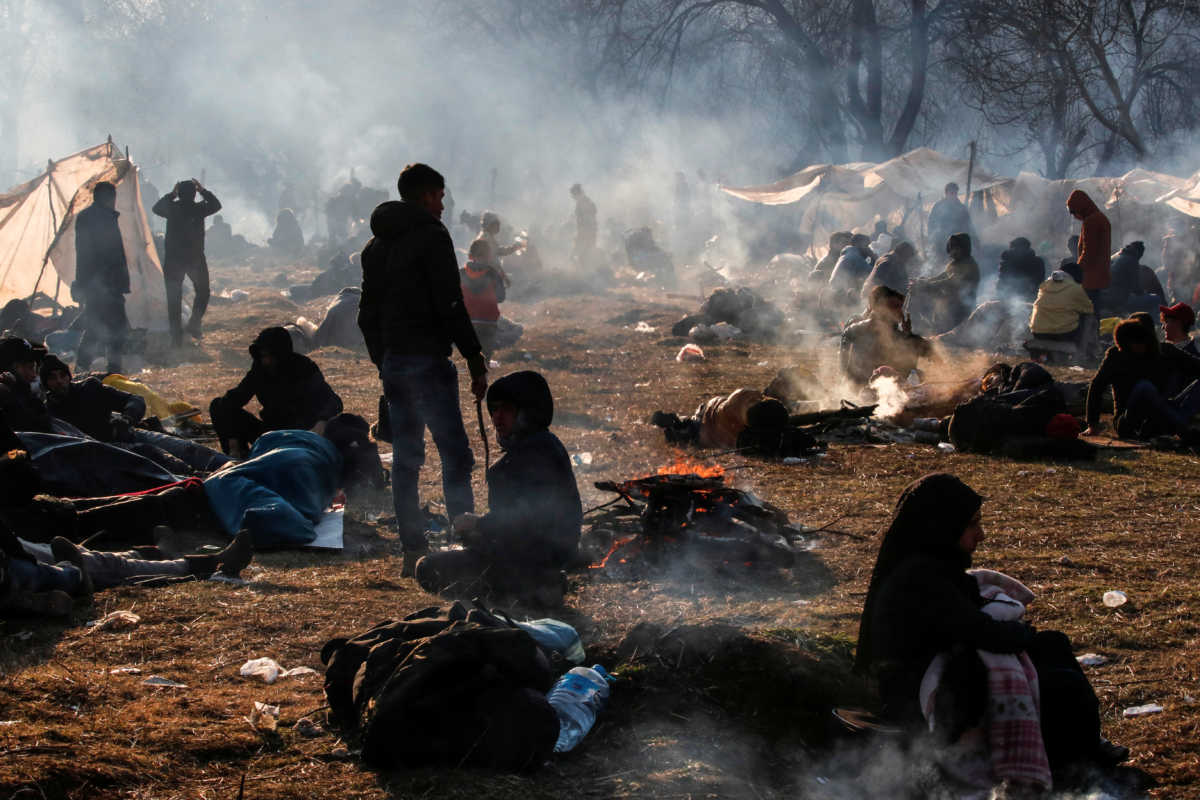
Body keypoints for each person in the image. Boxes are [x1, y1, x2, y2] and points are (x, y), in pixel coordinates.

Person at [855, 474, 1127, 787]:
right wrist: (1022, 634)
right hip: (919, 694)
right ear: (942, 524)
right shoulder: (920, 576)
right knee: (1056, 683)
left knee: (1052, 645)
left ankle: (1086, 745)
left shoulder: (936, 565)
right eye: (972, 524)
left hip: (949, 663)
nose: (981, 535)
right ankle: (1067, 764)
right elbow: (982, 633)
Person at [359, 163, 487, 576]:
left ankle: (411, 549)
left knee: (407, 458)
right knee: (454, 455)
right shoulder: (433, 237)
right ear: (426, 195)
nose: (444, 204)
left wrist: (385, 360)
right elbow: (450, 304)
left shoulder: (375, 246)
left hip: (397, 363)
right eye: (440, 196)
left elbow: (367, 314)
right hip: (430, 362)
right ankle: (465, 544)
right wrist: (473, 357)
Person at [415, 371, 580, 606]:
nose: (497, 417)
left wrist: (477, 524)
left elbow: (525, 521)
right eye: (494, 410)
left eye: (507, 410)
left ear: (527, 413)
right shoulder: (543, 446)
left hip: (528, 560)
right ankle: (537, 586)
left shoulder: (531, 454)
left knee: (426, 568)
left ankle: (527, 590)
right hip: (540, 556)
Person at [40, 355, 230, 474]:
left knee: (190, 449)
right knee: (165, 462)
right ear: (45, 384)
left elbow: (135, 400)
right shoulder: (48, 412)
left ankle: (234, 466)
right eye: (52, 378)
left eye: (62, 375)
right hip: (108, 452)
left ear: (68, 376)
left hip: (130, 433)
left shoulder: (89, 388)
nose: (59, 381)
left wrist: (127, 419)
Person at [209, 326, 343, 457]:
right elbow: (235, 399)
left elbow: (333, 401)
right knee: (218, 405)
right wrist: (232, 437)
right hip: (270, 435)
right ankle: (239, 457)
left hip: (301, 436)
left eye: (270, 356)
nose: (266, 361)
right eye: (263, 356)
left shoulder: (304, 368)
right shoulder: (260, 369)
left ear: (281, 354)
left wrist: (322, 421)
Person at [1084, 318, 1200, 439]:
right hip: (1129, 421)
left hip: (1161, 415)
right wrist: (1092, 424)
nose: (1138, 346)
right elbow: (1097, 386)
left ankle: (1176, 423)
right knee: (1144, 387)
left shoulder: (1165, 350)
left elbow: (1196, 366)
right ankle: (1183, 429)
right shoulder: (1116, 356)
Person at [152, 179, 222, 346]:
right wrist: (203, 190)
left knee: (174, 298)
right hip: (194, 258)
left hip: (174, 259)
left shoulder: (173, 208)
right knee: (203, 291)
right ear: (193, 194)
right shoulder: (199, 209)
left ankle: (176, 337)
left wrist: (172, 194)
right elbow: (216, 205)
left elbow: (156, 208)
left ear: (180, 194)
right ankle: (194, 322)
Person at [73, 181, 130, 372]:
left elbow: (82, 254)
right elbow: (107, 254)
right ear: (109, 198)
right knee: (115, 327)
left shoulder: (87, 217)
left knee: (96, 325)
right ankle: (112, 367)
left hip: (96, 283)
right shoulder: (104, 218)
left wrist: (82, 283)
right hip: (106, 284)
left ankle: (84, 365)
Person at [840, 285, 931, 388]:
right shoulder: (863, 330)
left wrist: (907, 333)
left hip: (867, 385)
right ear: (879, 308)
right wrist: (908, 335)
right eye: (894, 306)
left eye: (900, 307)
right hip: (871, 386)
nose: (900, 312)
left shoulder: (854, 329)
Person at [913, 233, 980, 332]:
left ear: (964, 248)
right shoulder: (954, 263)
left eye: (956, 248)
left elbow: (950, 282)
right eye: (952, 248)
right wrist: (925, 281)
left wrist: (926, 285)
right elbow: (942, 276)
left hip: (960, 309)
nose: (953, 252)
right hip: (949, 306)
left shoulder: (968, 265)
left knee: (951, 338)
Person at [460, 239, 508, 358]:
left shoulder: (460, 273)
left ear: (470, 256)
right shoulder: (493, 274)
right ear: (489, 255)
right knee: (485, 357)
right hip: (488, 322)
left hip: (467, 322)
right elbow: (501, 297)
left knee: (471, 358)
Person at [1066, 190, 1110, 314]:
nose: (1074, 216)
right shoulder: (1100, 217)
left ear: (1081, 207)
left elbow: (1089, 252)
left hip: (1090, 277)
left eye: (1073, 212)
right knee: (1094, 311)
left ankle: (1090, 333)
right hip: (1099, 274)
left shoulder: (1091, 221)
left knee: (1088, 313)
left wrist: (1076, 272)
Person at [0, 337, 52, 433]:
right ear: (11, 369)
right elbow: (31, 426)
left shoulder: (25, 394)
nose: (33, 375)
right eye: (30, 367)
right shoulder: (6, 397)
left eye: (34, 367)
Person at [1029, 270, 1094, 342]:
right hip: (1062, 334)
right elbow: (1089, 309)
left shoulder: (1044, 286)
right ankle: (1082, 349)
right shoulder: (1075, 288)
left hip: (1037, 332)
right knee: (1088, 317)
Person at [1108, 241, 1165, 315]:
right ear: (1138, 252)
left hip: (1107, 295)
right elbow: (1136, 288)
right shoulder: (1132, 260)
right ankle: (1156, 323)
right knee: (1156, 299)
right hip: (1119, 299)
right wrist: (1143, 292)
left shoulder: (1116, 256)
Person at [825, 233, 875, 308]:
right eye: (866, 246)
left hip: (836, 291)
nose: (868, 249)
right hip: (841, 295)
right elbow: (874, 274)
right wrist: (873, 256)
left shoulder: (849, 253)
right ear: (859, 244)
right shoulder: (854, 257)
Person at [927, 183, 974, 254]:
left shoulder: (962, 208)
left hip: (958, 243)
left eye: (955, 193)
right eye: (951, 193)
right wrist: (932, 238)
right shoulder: (938, 206)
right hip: (941, 242)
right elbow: (931, 223)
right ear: (946, 193)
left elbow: (968, 225)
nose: (954, 195)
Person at [996, 238, 1045, 302]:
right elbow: (1041, 280)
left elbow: (1002, 279)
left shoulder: (1007, 260)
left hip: (1010, 296)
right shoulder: (1038, 261)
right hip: (1031, 296)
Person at [570, 183, 597, 267]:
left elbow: (587, 221)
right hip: (587, 233)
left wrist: (581, 236)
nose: (573, 197)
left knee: (584, 256)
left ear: (577, 193)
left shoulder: (584, 203)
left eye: (573, 195)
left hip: (587, 234)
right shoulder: (584, 202)